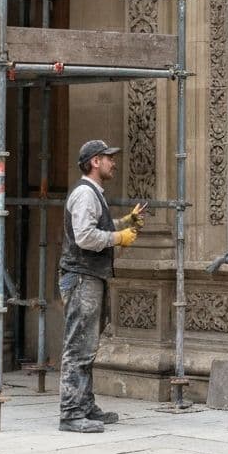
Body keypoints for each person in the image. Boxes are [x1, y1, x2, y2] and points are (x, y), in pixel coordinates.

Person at [58, 139, 146, 433]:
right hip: (82, 276)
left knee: (87, 346)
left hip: (89, 276)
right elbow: (85, 237)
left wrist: (124, 223)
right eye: (108, 158)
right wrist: (118, 238)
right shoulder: (85, 194)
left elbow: (98, 229)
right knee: (78, 346)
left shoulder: (94, 194)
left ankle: (85, 406)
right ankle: (71, 413)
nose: (113, 162)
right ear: (95, 161)